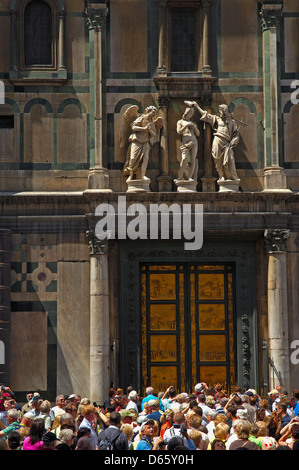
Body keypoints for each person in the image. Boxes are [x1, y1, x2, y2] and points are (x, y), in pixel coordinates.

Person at [193, 101, 240, 181]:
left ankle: (232, 176)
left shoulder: (232, 122)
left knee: (230, 159)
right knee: (217, 159)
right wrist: (197, 106)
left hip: (227, 143)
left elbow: (236, 134)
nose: (219, 113)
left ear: (224, 111)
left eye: (220, 111)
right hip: (217, 140)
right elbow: (206, 115)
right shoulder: (217, 119)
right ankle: (221, 176)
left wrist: (234, 140)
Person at [122, 106, 162, 181]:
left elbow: (154, 134)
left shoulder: (152, 123)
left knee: (145, 159)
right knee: (133, 158)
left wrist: (149, 130)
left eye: (155, 113)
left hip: (145, 142)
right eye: (153, 112)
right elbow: (133, 127)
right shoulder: (141, 118)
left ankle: (142, 175)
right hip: (136, 140)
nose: (154, 114)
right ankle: (130, 176)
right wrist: (144, 129)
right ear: (148, 111)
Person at [176, 103, 200, 181]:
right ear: (186, 113)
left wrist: (195, 127)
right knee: (184, 159)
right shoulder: (180, 122)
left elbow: (198, 134)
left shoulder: (193, 123)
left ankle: (190, 176)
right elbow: (179, 132)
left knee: (193, 159)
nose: (190, 114)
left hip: (194, 141)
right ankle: (180, 176)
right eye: (189, 112)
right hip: (185, 141)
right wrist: (186, 126)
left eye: (192, 113)